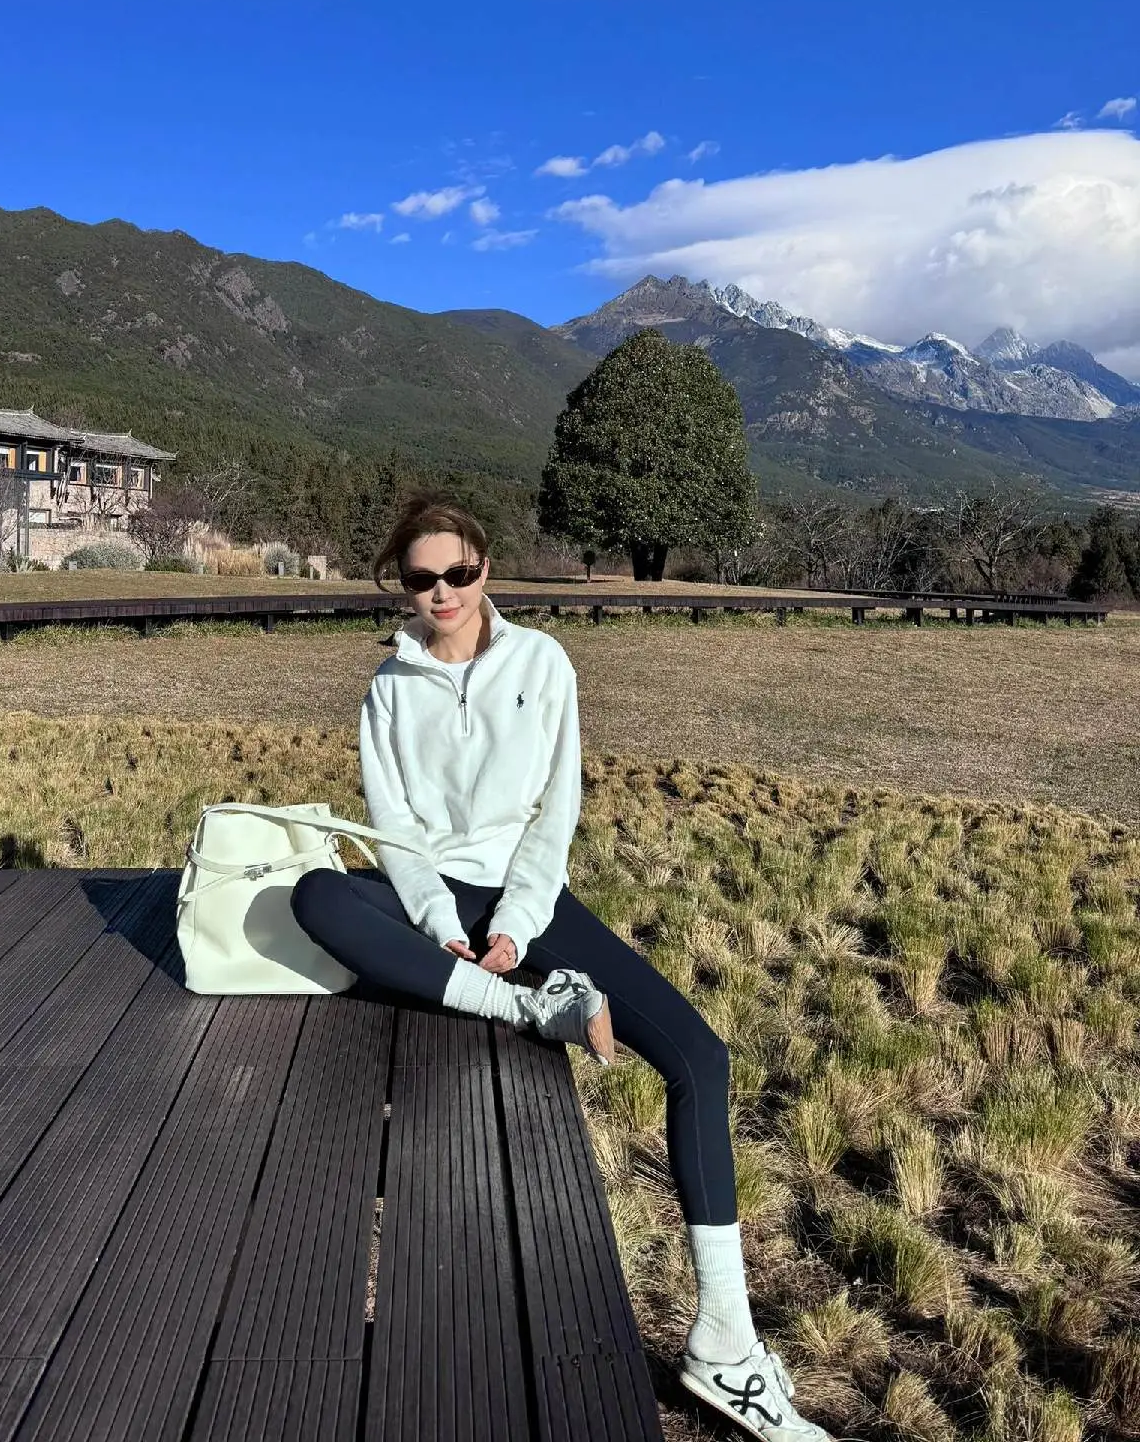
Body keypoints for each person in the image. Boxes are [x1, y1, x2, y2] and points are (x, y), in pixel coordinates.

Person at [291, 495, 830, 1442]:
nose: (443, 593)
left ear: (485, 569)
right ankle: (527, 1009)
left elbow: (555, 812)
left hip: (528, 899)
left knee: (701, 1059)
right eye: (422, 579)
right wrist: (437, 920)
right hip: (432, 904)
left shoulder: (543, 663)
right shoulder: (388, 688)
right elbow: (395, 829)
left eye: (459, 573)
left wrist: (516, 922)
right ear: (402, 586)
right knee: (316, 896)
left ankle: (726, 1339)